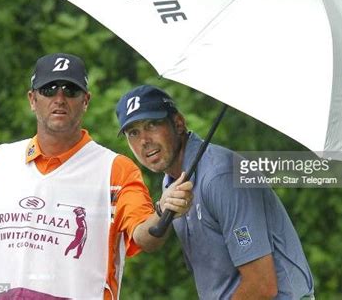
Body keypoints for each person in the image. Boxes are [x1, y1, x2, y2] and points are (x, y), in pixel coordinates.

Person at [0, 54, 193, 299]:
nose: (59, 99)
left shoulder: (116, 170)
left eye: (71, 90)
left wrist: (164, 210)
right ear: (32, 99)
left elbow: (146, 237)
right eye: (49, 89)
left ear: (86, 101)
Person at [116, 85, 315, 300]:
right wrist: (161, 208)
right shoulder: (173, 181)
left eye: (152, 125)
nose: (144, 140)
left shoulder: (220, 176)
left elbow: (262, 286)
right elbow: (147, 241)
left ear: (178, 123)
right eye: (133, 133)